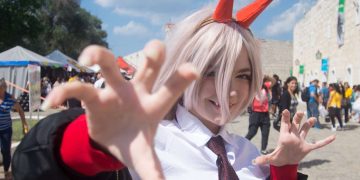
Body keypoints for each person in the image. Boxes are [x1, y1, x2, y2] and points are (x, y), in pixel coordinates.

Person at [12, 0, 335, 179]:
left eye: (243, 75)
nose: (229, 90)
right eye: (212, 71)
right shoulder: (145, 147)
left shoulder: (250, 155)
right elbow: (35, 172)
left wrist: (285, 169)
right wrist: (90, 144)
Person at [0, 78, 29, 180]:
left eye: (4, 87)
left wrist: (24, 124)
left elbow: (20, 110)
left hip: (6, 129)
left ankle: (7, 171)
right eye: (2, 87)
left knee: (5, 151)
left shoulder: (10, 98)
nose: (4, 88)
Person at [245, 75, 273, 154]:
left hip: (265, 113)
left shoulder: (266, 87)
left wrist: (267, 77)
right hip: (255, 113)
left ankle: (263, 149)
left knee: (265, 133)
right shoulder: (253, 87)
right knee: (252, 132)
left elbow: (273, 81)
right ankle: (242, 145)